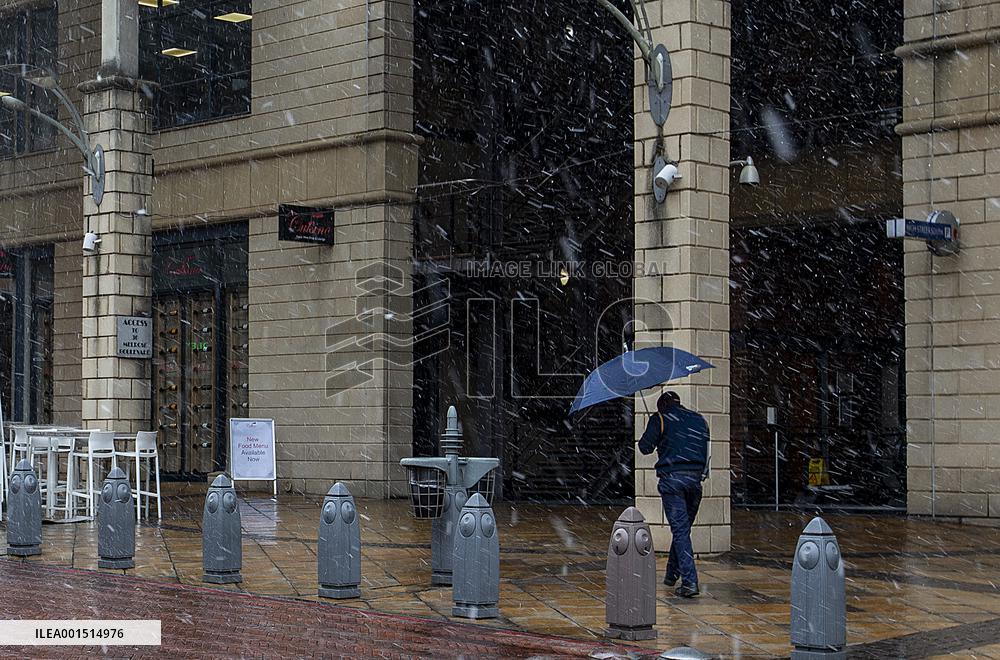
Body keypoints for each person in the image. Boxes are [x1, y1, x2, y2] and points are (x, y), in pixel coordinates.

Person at [638, 390, 710, 597]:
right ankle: (671, 575)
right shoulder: (699, 419)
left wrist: (655, 429)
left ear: (662, 405)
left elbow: (644, 448)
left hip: (672, 480)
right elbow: (706, 451)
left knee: (680, 531)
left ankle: (689, 582)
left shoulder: (660, 418)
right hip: (695, 481)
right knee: (683, 530)